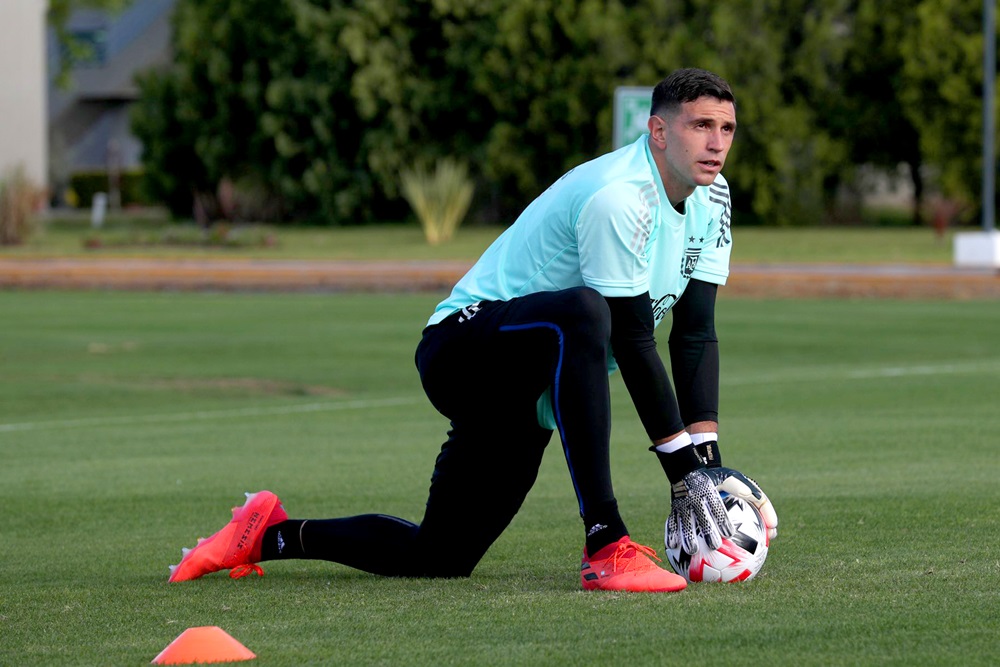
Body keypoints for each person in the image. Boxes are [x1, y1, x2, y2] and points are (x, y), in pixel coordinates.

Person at [168, 67, 777, 593]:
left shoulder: (713, 197)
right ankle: (606, 544)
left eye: (726, 128)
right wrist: (684, 475)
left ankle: (267, 534)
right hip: (462, 351)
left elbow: (694, 334)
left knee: (441, 557)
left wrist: (711, 472)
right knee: (587, 311)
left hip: (533, 386)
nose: (716, 142)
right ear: (660, 130)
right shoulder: (621, 196)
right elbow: (631, 337)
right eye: (701, 125)